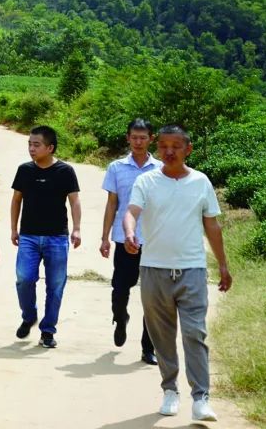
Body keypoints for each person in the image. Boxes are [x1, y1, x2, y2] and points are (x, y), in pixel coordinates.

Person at [124, 125, 232, 422]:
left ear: (188, 149)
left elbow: (212, 225)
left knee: (194, 332)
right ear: (157, 148)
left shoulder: (201, 181)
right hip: (154, 269)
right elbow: (131, 212)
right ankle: (170, 390)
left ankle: (201, 398)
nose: (169, 151)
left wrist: (223, 264)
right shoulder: (146, 181)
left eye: (176, 146)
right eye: (163, 146)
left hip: (192, 269)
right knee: (162, 336)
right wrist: (130, 233)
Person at [10, 125, 82, 349]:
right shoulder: (24, 170)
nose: (31, 148)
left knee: (56, 285)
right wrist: (13, 228)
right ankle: (29, 315)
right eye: (29, 144)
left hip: (57, 237)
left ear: (50, 148)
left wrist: (77, 228)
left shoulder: (65, 171)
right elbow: (16, 200)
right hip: (29, 236)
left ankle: (48, 330)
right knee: (24, 278)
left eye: (36, 145)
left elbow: (74, 201)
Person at [100, 118, 162, 364]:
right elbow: (112, 204)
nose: (138, 142)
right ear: (127, 138)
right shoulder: (116, 168)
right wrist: (105, 237)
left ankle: (148, 348)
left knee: (153, 297)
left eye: (143, 138)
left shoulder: (160, 169)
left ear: (151, 139)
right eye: (134, 137)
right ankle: (120, 317)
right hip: (123, 239)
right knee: (120, 289)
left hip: (154, 240)